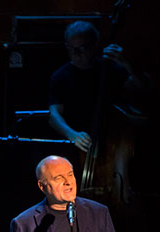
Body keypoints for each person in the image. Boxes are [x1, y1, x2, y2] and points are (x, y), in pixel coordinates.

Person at [48, 21, 149, 201]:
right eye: (71, 48)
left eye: (82, 48)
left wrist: (127, 63)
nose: (76, 53)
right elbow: (54, 116)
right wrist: (72, 134)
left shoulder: (111, 69)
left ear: (94, 46)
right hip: (79, 150)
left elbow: (142, 90)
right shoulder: (60, 76)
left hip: (114, 144)